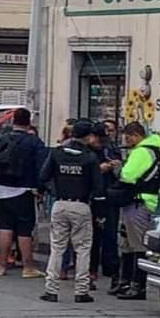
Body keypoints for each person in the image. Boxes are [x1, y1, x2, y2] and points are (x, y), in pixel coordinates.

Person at [38, 121, 104, 303]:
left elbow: (43, 177)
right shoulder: (90, 157)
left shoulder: (57, 153)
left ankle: (51, 289)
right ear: (88, 136)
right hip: (81, 205)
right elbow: (99, 188)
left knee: (57, 247)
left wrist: (53, 190)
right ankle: (81, 290)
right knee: (82, 249)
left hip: (60, 204)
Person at [0, 108, 47, 278]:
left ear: (13, 120)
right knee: (24, 230)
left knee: (4, 227)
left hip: (1, 189)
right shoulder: (34, 142)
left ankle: (1, 265)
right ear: (29, 122)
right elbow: (42, 167)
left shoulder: (1, 140)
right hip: (24, 189)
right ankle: (28, 267)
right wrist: (41, 189)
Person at [113, 122, 160, 300]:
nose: (127, 141)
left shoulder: (142, 152)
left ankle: (137, 285)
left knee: (137, 246)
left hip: (138, 203)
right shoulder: (152, 150)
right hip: (140, 202)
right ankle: (125, 281)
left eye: (128, 138)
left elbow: (127, 175)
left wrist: (117, 168)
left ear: (136, 135)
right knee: (127, 244)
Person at [84, 123, 121, 293]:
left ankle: (110, 267)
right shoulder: (85, 151)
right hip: (90, 196)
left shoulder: (110, 148)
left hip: (109, 194)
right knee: (91, 235)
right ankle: (89, 269)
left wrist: (115, 166)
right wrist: (100, 169)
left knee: (110, 233)